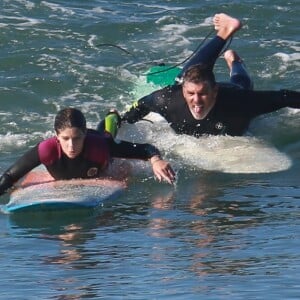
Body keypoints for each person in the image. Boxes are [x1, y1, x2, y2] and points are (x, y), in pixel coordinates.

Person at [108, 13, 299, 137]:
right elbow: (141, 105)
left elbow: (283, 97)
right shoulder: (166, 99)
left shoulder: (241, 102)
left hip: (234, 91)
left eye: (203, 93)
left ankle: (234, 61)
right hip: (185, 85)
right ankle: (225, 37)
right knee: (184, 77)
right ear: (183, 93)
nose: (197, 100)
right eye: (191, 94)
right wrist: (121, 122)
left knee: (242, 84)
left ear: (214, 91)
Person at [0, 107, 176, 197]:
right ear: (56, 136)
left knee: (106, 135)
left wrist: (156, 160)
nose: (71, 146)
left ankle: (113, 116)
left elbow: (146, 149)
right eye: (65, 139)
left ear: (84, 134)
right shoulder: (46, 149)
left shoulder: (99, 146)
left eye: (77, 138)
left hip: (101, 145)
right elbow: (10, 176)